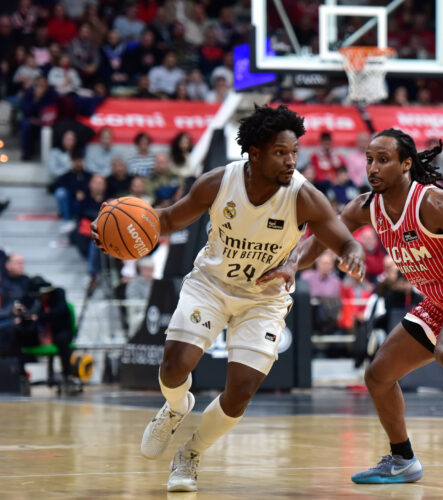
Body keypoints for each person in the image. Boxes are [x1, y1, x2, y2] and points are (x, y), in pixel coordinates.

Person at [91, 105, 365, 493]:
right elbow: (167, 220)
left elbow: (343, 239)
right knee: (174, 367)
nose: (291, 161)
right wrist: (119, 228)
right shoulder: (219, 182)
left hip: (264, 298)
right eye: (280, 152)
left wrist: (353, 253)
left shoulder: (304, 195)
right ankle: (176, 407)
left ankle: (190, 453)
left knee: (240, 391)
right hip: (212, 284)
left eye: (294, 152)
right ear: (255, 153)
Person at [270, 128, 443, 485]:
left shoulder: (434, 203)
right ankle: (402, 459)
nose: (373, 168)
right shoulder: (365, 207)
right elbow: (320, 239)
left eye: (383, 160)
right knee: (377, 375)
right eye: (370, 160)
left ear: (405, 164)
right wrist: (290, 264)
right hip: (438, 299)